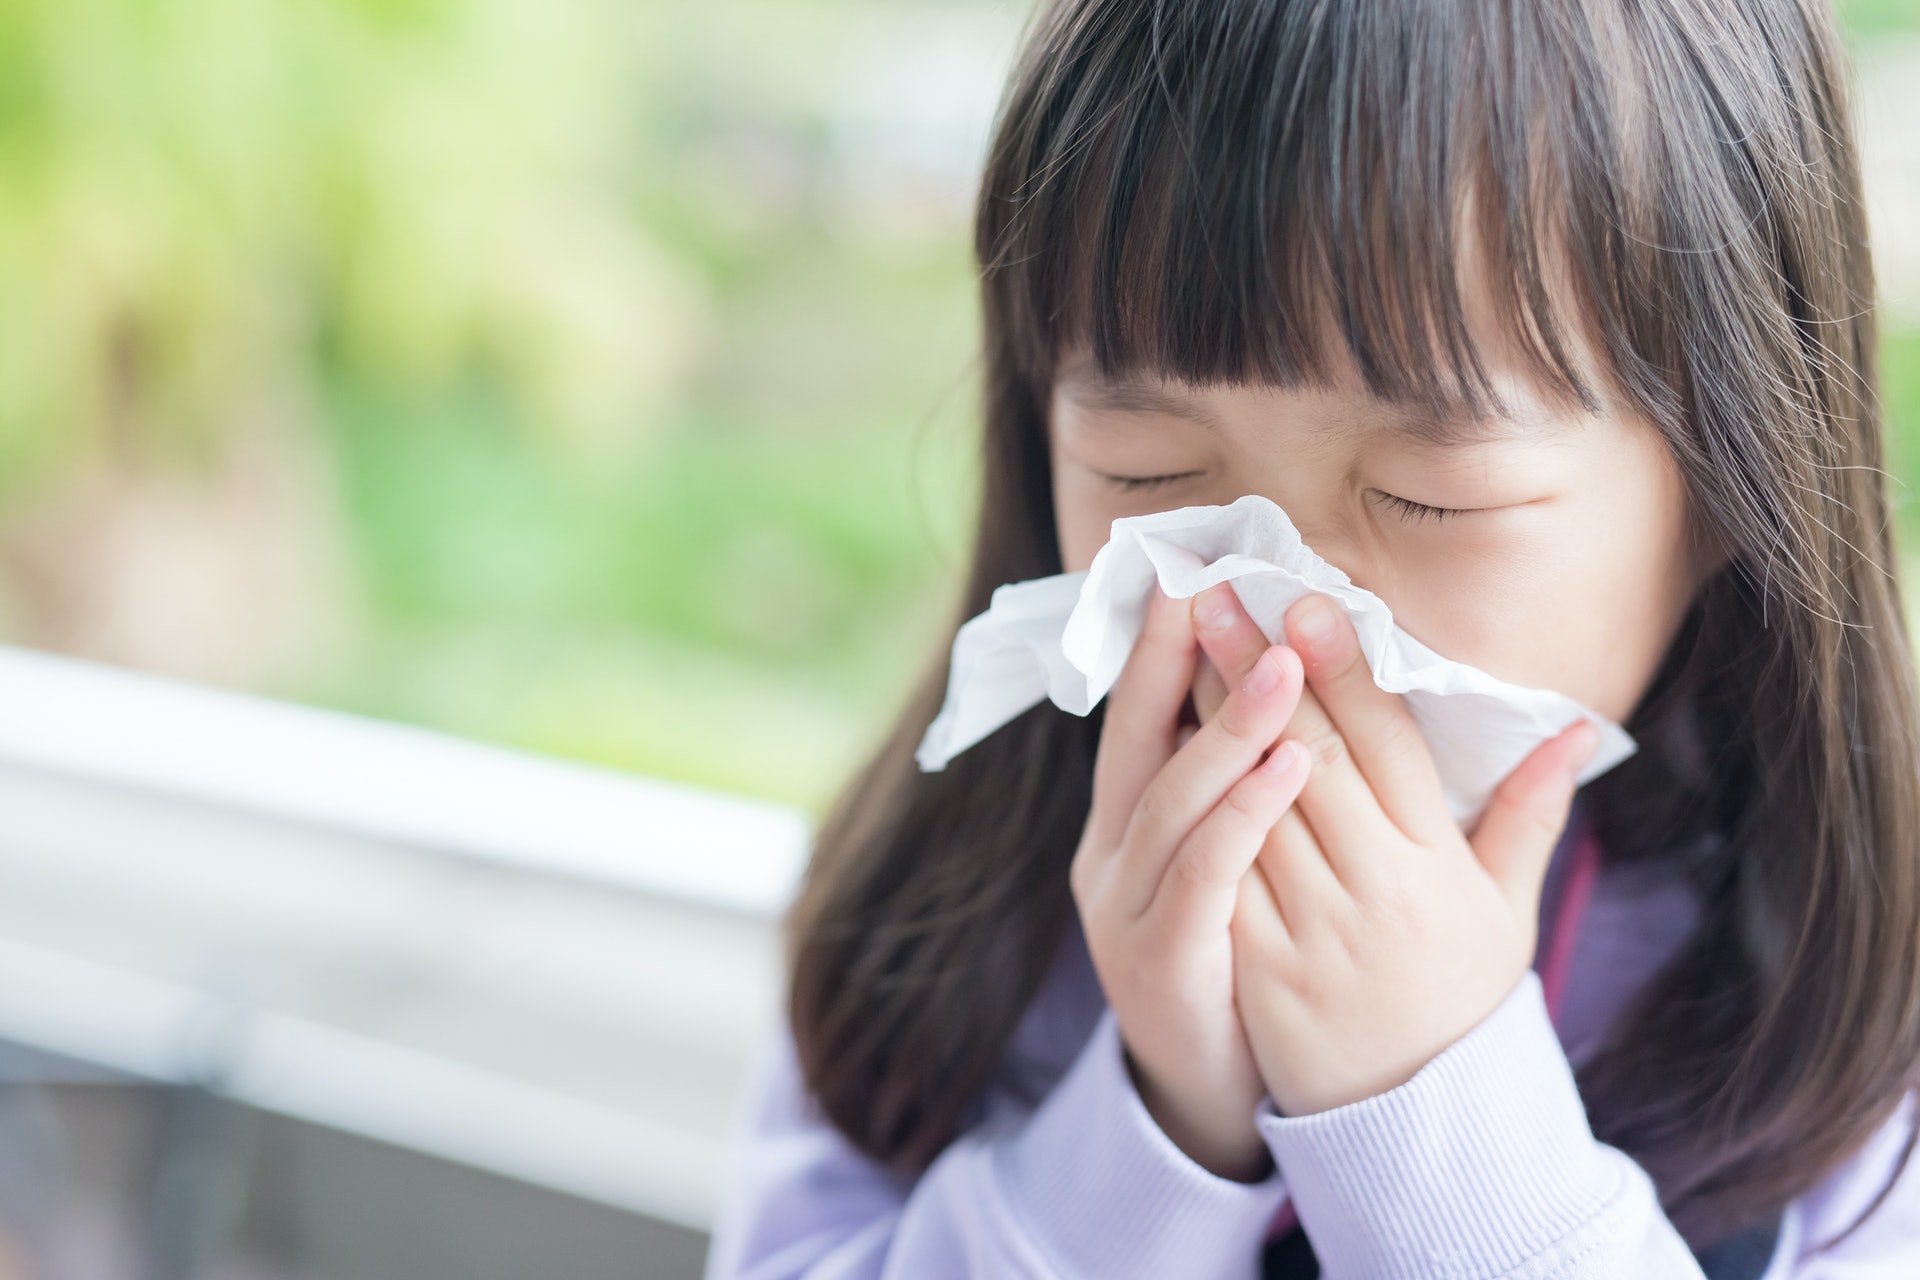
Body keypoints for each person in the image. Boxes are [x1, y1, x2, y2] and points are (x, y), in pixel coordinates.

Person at [702, 0, 1920, 1275]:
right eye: (1148, 472)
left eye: (1429, 495)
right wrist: (1160, 1122)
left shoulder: (1857, 1011)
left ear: (1737, 482)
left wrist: (1426, 1105)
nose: (1282, 614)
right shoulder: (945, 906)